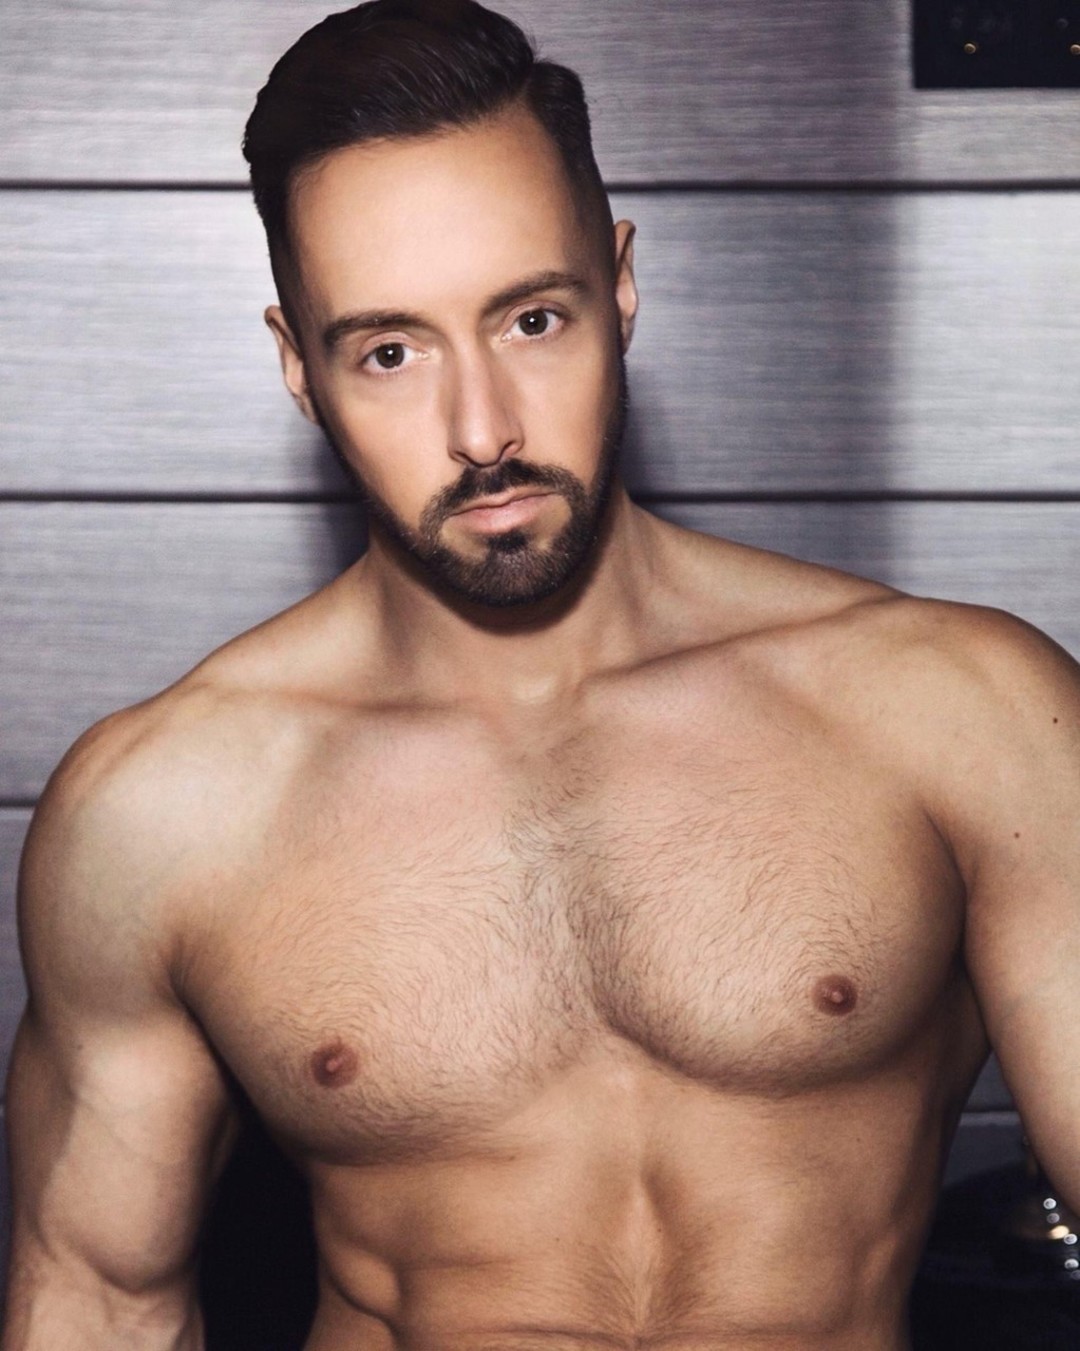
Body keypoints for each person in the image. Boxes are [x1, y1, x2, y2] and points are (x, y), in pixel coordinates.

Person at [3, 1, 1079, 1347]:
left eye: (529, 319)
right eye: (390, 351)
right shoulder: (164, 809)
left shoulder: (959, 712)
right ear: (299, 368)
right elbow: (99, 1303)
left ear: (618, 286)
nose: (483, 430)